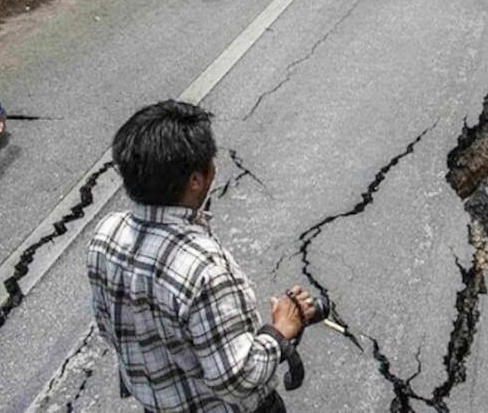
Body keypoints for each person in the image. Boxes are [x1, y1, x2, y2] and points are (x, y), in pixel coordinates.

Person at [88, 100, 320, 412]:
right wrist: (280, 330)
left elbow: (110, 328)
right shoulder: (204, 268)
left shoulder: (106, 235)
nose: (215, 166)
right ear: (196, 180)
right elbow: (237, 379)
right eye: (210, 160)